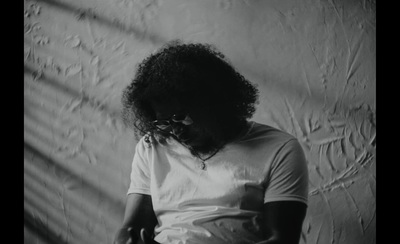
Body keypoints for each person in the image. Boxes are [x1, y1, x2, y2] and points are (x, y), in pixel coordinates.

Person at [113, 41, 309, 244]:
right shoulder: (153, 146)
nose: (175, 130)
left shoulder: (279, 149)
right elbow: (132, 227)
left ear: (214, 103)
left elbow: (282, 240)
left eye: (181, 116)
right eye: (163, 122)